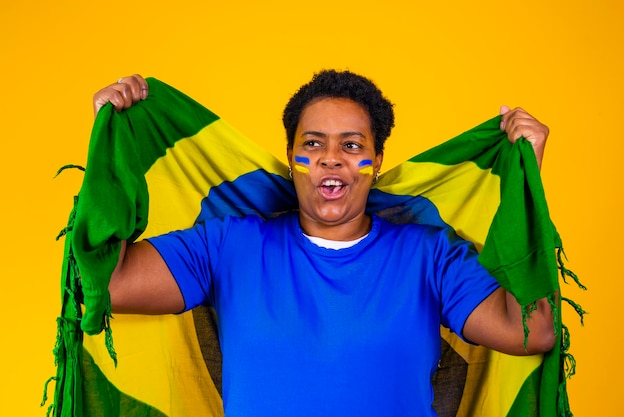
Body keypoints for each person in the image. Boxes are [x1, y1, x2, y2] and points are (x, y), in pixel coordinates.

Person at [93, 70, 554, 416]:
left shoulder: (429, 255)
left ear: (376, 160)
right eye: (312, 144)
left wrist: (526, 179)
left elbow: (530, 332)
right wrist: (111, 148)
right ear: (291, 159)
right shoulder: (228, 246)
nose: (330, 158)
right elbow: (111, 284)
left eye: (352, 145)